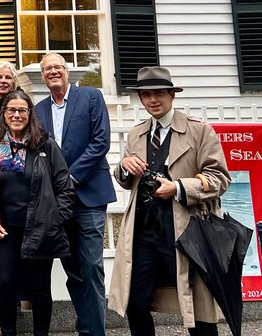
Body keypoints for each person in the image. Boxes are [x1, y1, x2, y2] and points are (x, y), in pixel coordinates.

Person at [108, 66, 231, 336]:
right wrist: (125, 166)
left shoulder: (200, 131)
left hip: (187, 230)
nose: (153, 100)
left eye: (159, 93)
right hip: (144, 232)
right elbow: (125, 179)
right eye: (146, 94)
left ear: (172, 95)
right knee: (135, 302)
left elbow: (219, 178)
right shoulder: (136, 133)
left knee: (199, 309)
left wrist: (177, 188)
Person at [0, 90, 76, 336]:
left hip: (40, 229)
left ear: (30, 114)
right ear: (4, 114)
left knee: (40, 288)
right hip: (4, 230)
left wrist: (54, 220)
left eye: (22, 110)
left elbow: (65, 187)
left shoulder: (45, 144)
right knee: (6, 285)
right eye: (11, 110)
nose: (17, 115)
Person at [34, 53, 115, 336]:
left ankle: (96, 332)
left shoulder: (91, 97)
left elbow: (100, 141)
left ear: (67, 71)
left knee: (92, 266)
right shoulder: (38, 110)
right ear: (43, 76)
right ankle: (86, 327)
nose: (52, 72)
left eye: (57, 67)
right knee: (74, 269)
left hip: (89, 195)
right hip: (59, 204)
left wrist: (70, 177)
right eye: (47, 69)